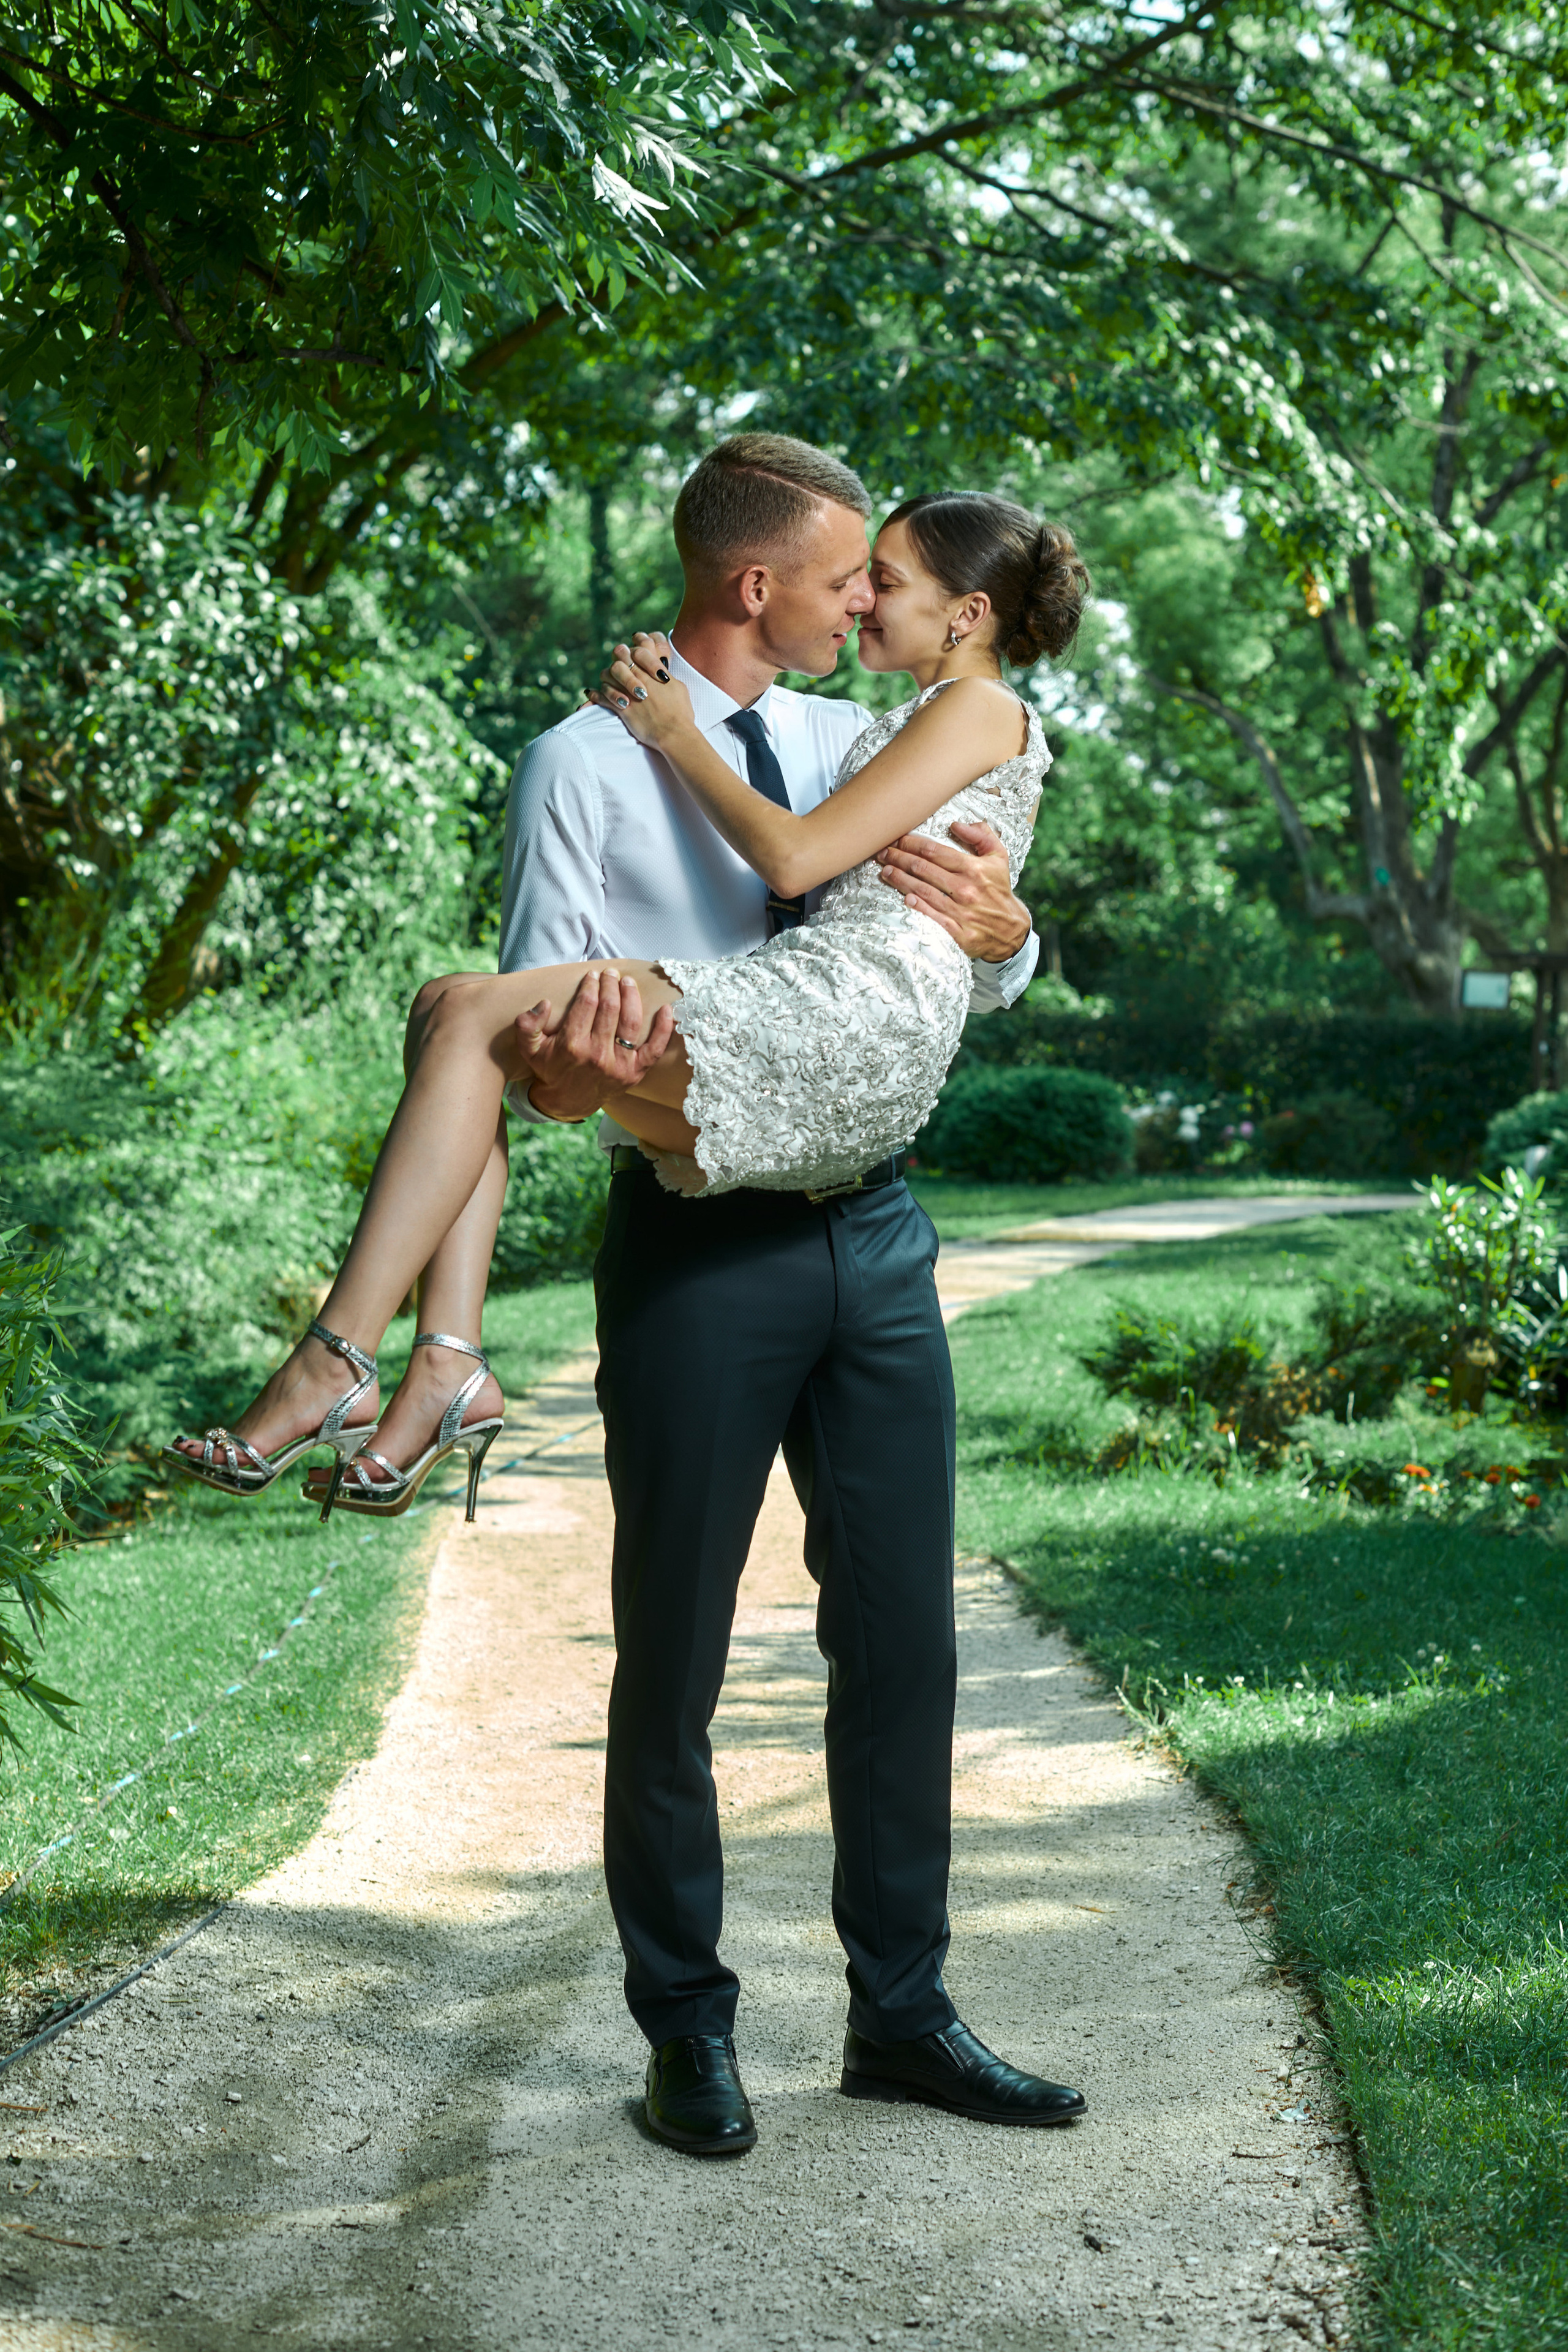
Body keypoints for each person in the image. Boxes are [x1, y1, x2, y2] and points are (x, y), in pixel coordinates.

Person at [166, 434, 1089, 2154]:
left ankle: (906, 2017)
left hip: (873, 1226)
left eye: (878, 585)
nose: (859, 603)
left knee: (902, 1646)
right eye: (845, 580)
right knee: (666, 1654)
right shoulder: (579, 769)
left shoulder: (850, 726)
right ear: (767, 585)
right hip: (692, 1245)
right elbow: (512, 1078)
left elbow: (955, 913)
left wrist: (1012, 928)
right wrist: (497, 1252)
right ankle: (688, 2031)